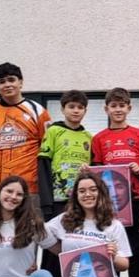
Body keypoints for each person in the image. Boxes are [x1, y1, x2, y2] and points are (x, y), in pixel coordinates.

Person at [46, 170, 132, 277]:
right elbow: (42, 235)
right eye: (82, 191)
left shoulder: (114, 225)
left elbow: (124, 265)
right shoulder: (64, 220)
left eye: (93, 189)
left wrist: (113, 256)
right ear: (76, 195)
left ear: (101, 193)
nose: (88, 194)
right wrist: (60, 252)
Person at [91, 87, 139, 277]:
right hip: (109, 206)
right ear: (106, 109)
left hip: (135, 202)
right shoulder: (99, 139)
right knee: (110, 251)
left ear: (129, 108)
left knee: (137, 253)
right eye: (114, 106)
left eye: (122, 105)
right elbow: (96, 171)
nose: (118, 110)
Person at [0, 62, 51, 207]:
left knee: (28, 223)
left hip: (27, 187)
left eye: (11, 80)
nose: (7, 85)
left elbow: (47, 149)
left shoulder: (38, 111)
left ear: (21, 82)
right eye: (2, 82)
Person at [37, 89, 93, 222]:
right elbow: (43, 165)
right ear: (63, 109)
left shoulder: (89, 137)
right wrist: (46, 202)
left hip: (82, 198)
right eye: (71, 107)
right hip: (58, 199)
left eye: (80, 107)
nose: (76, 111)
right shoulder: (53, 131)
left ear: (85, 111)